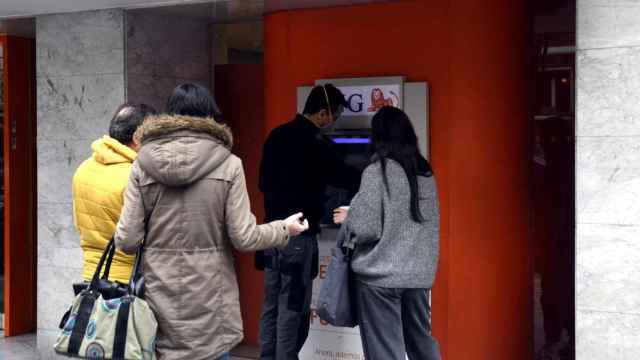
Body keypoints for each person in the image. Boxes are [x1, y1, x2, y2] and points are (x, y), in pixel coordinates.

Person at [114, 83, 309, 360]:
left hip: (160, 301)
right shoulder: (228, 164)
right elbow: (244, 237)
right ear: (210, 116)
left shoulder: (142, 165)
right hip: (211, 301)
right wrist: (283, 228)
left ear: (169, 116)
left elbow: (127, 241)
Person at [257, 84, 361, 360]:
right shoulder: (315, 143)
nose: (334, 122)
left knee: (271, 303)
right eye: (335, 116)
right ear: (323, 113)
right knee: (293, 305)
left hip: (270, 234)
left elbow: (262, 182)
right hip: (299, 237)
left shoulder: (277, 135)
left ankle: (268, 356)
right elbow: (346, 177)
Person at [335, 106, 441, 360]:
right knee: (421, 343)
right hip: (417, 276)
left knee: (385, 351)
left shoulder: (377, 170)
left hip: (381, 277)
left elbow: (366, 228)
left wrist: (348, 219)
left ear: (378, 136)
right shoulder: (425, 173)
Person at [72, 103, 157, 284]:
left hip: (91, 276)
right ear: (137, 139)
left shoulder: (84, 168)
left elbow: (79, 225)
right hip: (127, 281)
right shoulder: (135, 176)